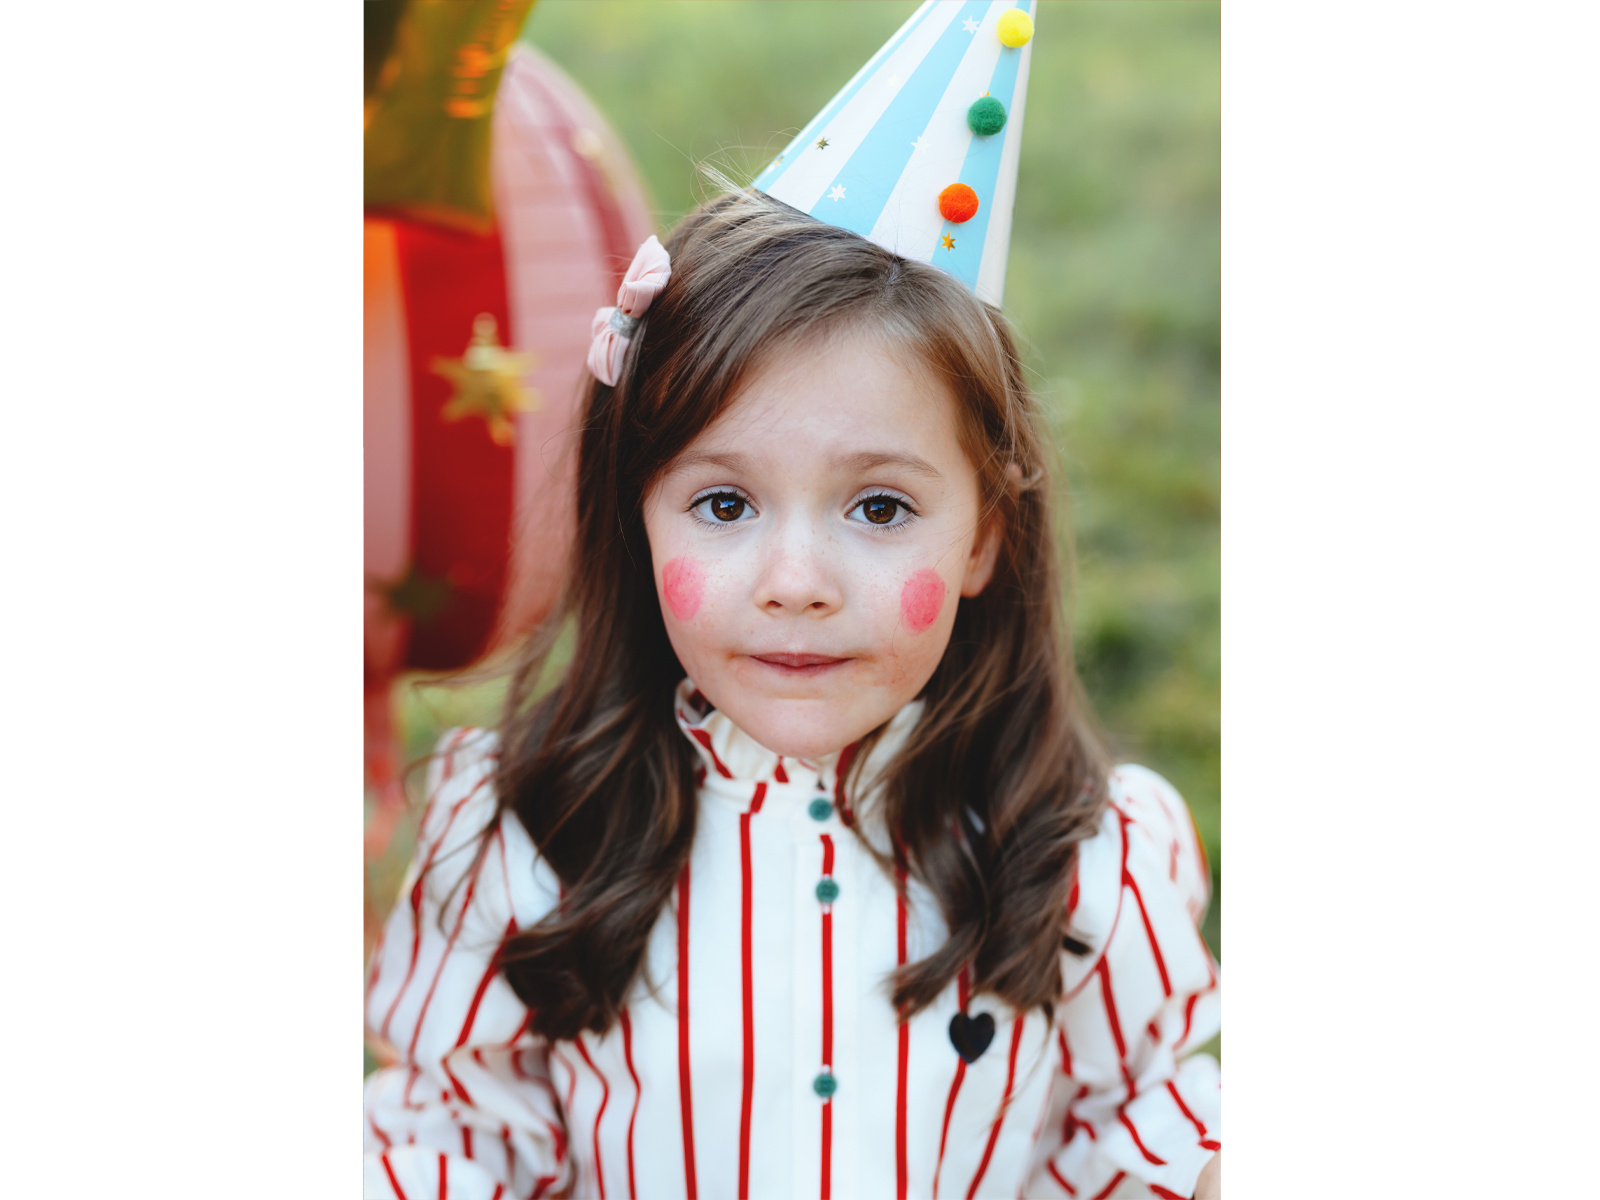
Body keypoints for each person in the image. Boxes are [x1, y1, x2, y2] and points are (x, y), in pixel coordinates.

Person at [366, 7, 1219, 1198]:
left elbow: (1138, 1135)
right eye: (724, 504)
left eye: (878, 507)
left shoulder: (1082, 856)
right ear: (637, 516)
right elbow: (454, 1139)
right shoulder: (530, 842)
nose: (797, 583)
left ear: (985, 534)